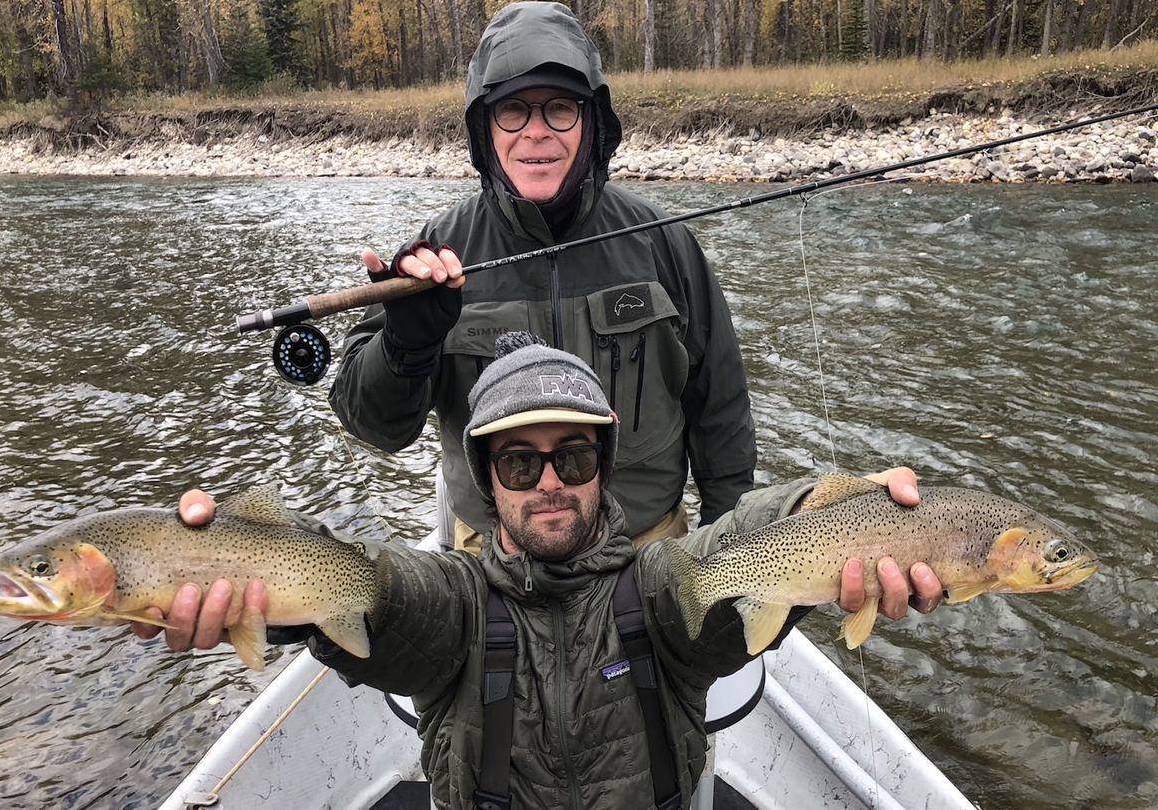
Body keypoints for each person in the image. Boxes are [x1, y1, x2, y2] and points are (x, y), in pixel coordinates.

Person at [134, 333, 944, 810]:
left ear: (605, 464)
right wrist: (233, 561)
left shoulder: (662, 590)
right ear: (487, 480)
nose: (550, 481)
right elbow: (373, 587)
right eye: (519, 463)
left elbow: (743, 541)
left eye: (574, 454)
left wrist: (830, 512)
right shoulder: (453, 605)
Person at [329, 0, 788, 553]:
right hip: (490, 566)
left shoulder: (663, 241)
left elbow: (720, 410)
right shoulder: (434, 254)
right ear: (484, 128)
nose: (536, 133)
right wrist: (405, 346)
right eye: (513, 110)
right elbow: (375, 426)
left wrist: (732, 553)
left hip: (646, 553)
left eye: (560, 109)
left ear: (591, 121)